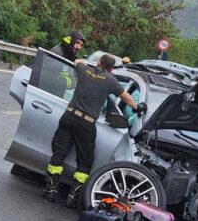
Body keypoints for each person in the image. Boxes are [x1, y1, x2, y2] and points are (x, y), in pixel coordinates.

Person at [43, 54, 147, 208]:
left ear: (99, 63)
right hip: (85, 124)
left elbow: (77, 61)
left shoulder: (84, 70)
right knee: (85, 162)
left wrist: (88, 65)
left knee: (59, 153)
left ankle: (50, 190)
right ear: (111, 69)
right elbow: (126, 98)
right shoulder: (111, 81)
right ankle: (73, 197)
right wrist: (138, 107)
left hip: (68, 117)